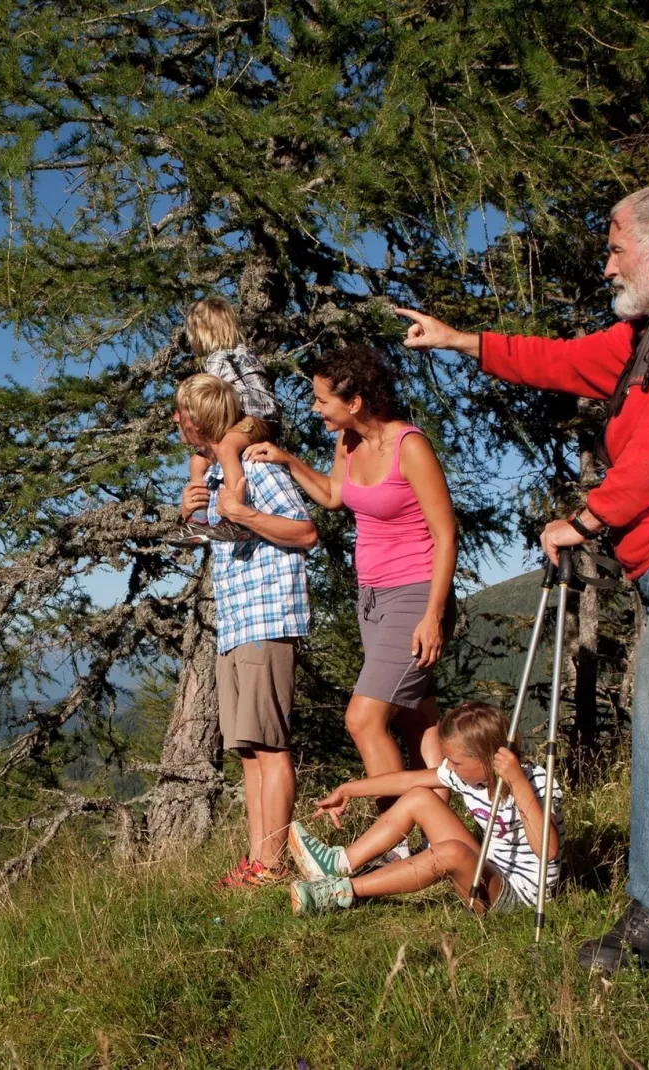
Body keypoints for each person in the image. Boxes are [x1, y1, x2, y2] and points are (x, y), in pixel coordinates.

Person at [396, 181, 649, 971]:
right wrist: (460, 340)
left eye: (616, 243)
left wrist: (588, 517)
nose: (606, 259)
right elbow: (564, 361)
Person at [245, 346, 458, 854]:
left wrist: (433, 615)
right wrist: (290, 460)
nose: (316, 409)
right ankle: (453, 835)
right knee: (416, 718)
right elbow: (336, 497)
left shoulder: (410, 446)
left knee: (363, 718)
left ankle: (399, 839)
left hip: (416, 595)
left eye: (322, 400)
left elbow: (446, 534)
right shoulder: (348, 440)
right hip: (373, 600)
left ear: (357, 400)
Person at [174, 372, 317, 888]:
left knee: (270, 747)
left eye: (181, 413)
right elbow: (229, 535)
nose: (175, 421)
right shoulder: (215, 476)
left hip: (268, 616)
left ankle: (272, 865)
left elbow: (306, 531)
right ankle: (259, 862)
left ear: (201, 419)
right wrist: (194, 521)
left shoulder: (255, 467)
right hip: (236, 622)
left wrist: (243, 512)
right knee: (250, 748)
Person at [285, 701, 561, 917]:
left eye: (456, 761)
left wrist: (516, 782)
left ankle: (340, 892)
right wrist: (347, 790)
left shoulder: (535, 781)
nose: (449, 767)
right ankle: (338, 865)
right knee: (419, 796)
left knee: (451, 852)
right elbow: (406, 781)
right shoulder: (467, 774)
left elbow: (547, 851)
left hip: (519, 899)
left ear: (488, 758)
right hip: (486, 870)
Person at [182, 296, 282, 541]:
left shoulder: (219, 361)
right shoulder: (243, 354)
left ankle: (237, 515)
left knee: (226, 447)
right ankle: (198, 516)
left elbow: (219, 403)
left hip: (257, 418)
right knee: (198, 459)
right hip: (249, 419)